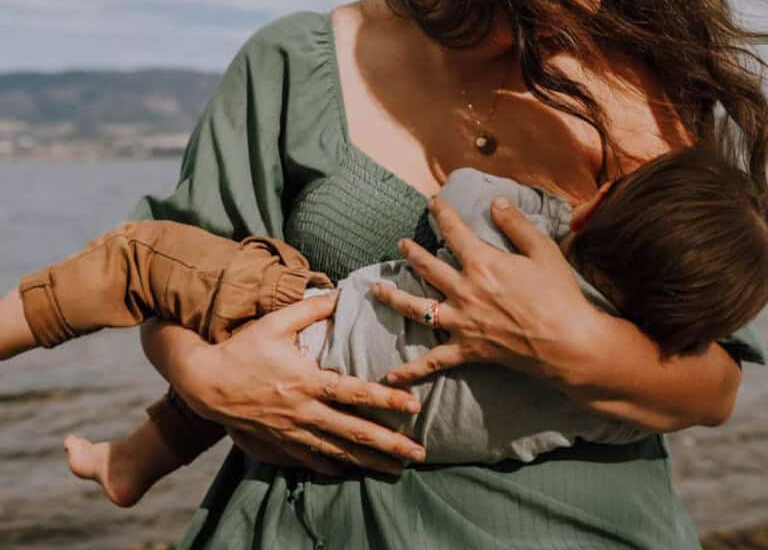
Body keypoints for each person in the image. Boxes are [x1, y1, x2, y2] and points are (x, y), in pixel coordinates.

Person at [127, 0, 768, 547]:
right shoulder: (296, 64)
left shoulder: (651, 93)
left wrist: (575, 346)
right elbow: (167, 277)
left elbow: (713, 388)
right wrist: (207, 382)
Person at [2, 145, 765, 509]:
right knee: (222, 369)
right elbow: (697, 392)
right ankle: (131, 463)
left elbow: (462, 192)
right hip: (361, 434)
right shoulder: (617, 413)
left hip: (308, 330)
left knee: (136, 256)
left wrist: (549, 208)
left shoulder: (510, 253)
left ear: (600, 207)